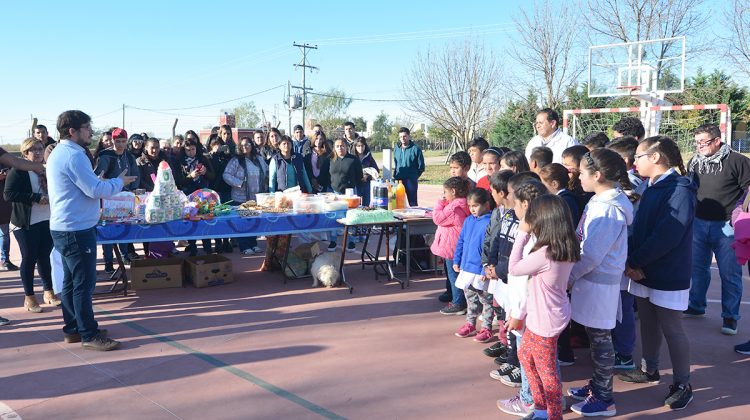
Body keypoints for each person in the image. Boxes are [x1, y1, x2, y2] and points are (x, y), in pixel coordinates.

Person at [47, 110, 136, 350]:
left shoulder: (62, 152)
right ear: (72, 131)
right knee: (84, 285)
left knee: (71, 283)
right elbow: (94, 190)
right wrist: (120, 182)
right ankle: (89, 334)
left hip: (66, 227)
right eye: (87, 127)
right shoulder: (73, 156)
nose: (91, 132)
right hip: (76, 229)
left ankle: (74, 328)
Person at [618, 136, 696, 411]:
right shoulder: (653, 185)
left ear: (656, 157)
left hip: (666, 271)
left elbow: (668, 235)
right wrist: (633, 262)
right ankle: (649, 368)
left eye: (639, 156)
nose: (634, 161)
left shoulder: (679, 188)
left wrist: (636, 260)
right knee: (648, 321)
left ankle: (683, 383)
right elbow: (641, 227)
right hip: (643, 269)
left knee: (671, 327)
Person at [566, 149, 634, 417]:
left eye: (582, 172)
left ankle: (604, 397)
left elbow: (592, 254)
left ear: (597, 175)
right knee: (596, 338)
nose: (578, 176)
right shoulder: (600, 200)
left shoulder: (608, 209)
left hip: (597, 283)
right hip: (590, 282)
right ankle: (598, 384)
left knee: (601, 339)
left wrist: (569, 277)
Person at [508, 194, 580, 420]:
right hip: (547, 314)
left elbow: (514, 268)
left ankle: (552, 415)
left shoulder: (546, 253)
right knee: (526, 356)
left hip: (545, 320)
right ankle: (541, 410)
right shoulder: (563, 246)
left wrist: (521, 233)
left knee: (546, 371)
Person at [684, 124, 750, 335]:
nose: (699, 146)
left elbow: (748, 190)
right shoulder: (694, 162)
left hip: (727, 226)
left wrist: (739, 216)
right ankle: (696, 305)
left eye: (704, 142)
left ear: (717, 141)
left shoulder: (738, 161)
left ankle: (730, 317)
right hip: (698, 223)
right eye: (697, 142)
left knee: (730, 274)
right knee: (697, 269)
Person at [495, 178, 549, 416]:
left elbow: (525, 279)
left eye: (515, 203)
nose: (512, 207)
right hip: (526, 310)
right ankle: (542, 399)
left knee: (532, 359)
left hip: (528, 312)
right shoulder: (538, 235)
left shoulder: (533, 240)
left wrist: (518, 313)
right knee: (537, 359)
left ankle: (531, 400)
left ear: (526, 205)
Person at [606, 136, 647, 369]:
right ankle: (620, 348)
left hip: (623, 253)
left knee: (622, 304)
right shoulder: (626, 184)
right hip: (622, 252)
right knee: (620, 304)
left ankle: (624, 353)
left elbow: (631, 223)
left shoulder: (627, 186)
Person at [4, 138, 57, 313]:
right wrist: (35, 198)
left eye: (40, 149)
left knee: (44, 256)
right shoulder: (18, 171)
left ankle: (48, 292)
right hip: (25, 223)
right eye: (33, 150)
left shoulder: (47, 170)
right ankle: (29, 297)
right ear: (25, 153)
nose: (38, 152)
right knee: (29, 258)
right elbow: (9, 194)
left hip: (46, 220)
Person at [479, 170, 517, 354]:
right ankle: (507, 347)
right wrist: (489, 263)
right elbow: (494, 241)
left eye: (492, 191)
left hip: (508, 275)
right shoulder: (502, 213)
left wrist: (499, 270)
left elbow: (514, 252)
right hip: (498, 271)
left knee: (512, 317)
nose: (491, 195)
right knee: (500, 309)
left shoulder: (516, 217)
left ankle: (513, 355)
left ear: (501, 193)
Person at [95, 128, 140, 270]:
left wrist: (131, 187)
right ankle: (108, 262)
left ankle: (125, 256)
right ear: (112, 140)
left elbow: (135, 176)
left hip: (125, 198)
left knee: (124, 227)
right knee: (108, 230)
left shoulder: (129, 156)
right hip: (107, 199)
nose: (120, 144)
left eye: (123, 141)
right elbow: (98, 178)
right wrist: (115, 182)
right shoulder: (105, 155)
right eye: (117, 141)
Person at [453, 188, 495, 342]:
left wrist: (486, 270)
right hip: (467, 268)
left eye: (476, 206)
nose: (472, 209)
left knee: (486, 299)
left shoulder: (490, 222)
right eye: (470, 206)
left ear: (486, 204)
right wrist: (457, 260)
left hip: (481, 270)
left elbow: (490, 248)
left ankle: (487, 327)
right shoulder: (468, 221)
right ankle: (470, 323)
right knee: (470, 297)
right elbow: (461, 241)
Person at [431, 177, 471, 315]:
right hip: (455, 245)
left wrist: (439, 203)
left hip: (452, 246)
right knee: (453, 274)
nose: (444, 195)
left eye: (445, 192)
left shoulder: (453, 207)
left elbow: (437, 218)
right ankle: (456, 297)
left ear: (453, 191)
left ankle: (458, 302)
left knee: (453, 275)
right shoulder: (461, 205)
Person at [223, 136, 268, 255]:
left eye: (247, 144)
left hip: (256, 197)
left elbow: (267, 172)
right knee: (242, 223)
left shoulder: (258, 159)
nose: (245, 147)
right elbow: (226, 175)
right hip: (240, 198)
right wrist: (239, 183)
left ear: (252, 145)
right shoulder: (236, 161)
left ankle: (253, 244)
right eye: (242, 145)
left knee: (253, 222)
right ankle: (244, 246)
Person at [177, 138, 215, 256]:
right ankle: (192, 248)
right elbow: (179, 182)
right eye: (188, 150)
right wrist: (190, 176)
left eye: (193, 149)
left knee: (204, 220)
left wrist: (205, 173)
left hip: (203, 195)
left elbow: (213, 176)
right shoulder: (180, 161)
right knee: (191, 221)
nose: (190, 152)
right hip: (188, 196)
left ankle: (208, 248)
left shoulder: (203, 159)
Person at [393, 127, 425, 206]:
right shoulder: (397, 148)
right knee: (397, 203)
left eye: (404, 136)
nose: (402, 138)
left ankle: (414, 217)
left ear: (409, 136)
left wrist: (414, 176)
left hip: (411, 180)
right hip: (398, 179)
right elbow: (396, 163)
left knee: (412, 202)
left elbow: (421, 166)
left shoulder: (416, 149)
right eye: (400, 137)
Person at [353, 137, 379, 207]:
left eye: (362, 146)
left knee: (367, 205)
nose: (360, 148)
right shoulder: (352, 157)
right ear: (355, 147)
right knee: (356, 205)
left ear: (365, 146)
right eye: (358, 146)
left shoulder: (368, 156)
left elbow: (376, 170)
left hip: (366, 184)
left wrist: (368, 176)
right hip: (355, 184)